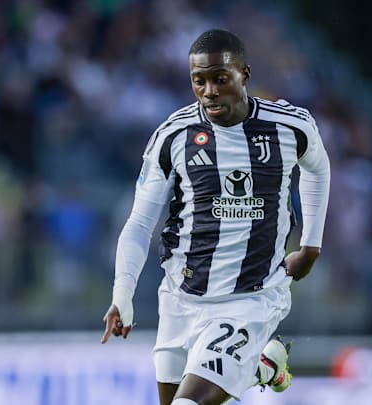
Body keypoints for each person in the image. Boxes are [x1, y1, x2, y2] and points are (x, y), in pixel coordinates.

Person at [101, 29, 330, 405]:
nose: (209, 91)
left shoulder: (290, 126)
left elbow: (318, 170)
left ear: (245, 75)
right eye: (199, 81)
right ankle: (262, 367)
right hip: (180, 297)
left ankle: (253, 360)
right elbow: (139, 224)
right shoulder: (173, 136)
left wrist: (310, 246)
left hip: (251, 298)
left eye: (220, 79)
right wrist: (122, 294)